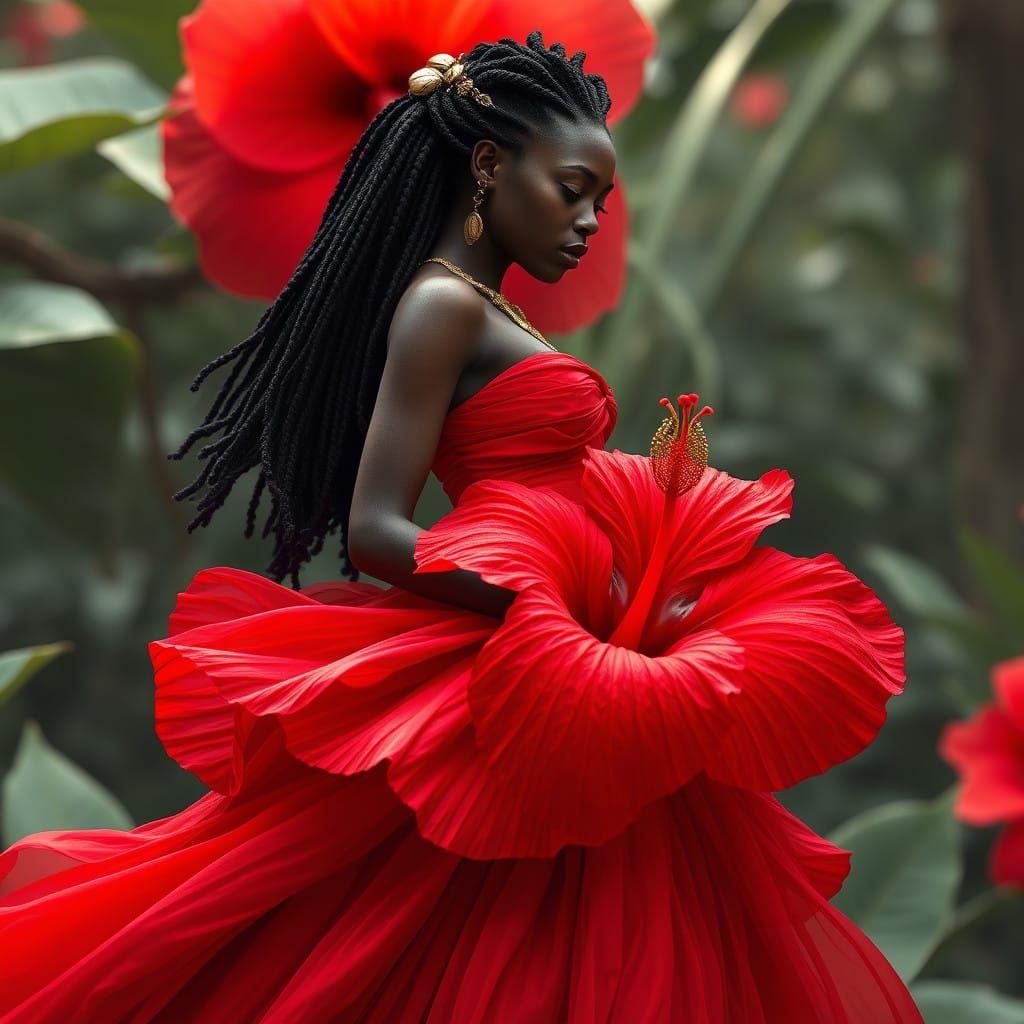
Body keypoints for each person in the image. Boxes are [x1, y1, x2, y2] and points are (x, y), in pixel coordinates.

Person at [0, 30, 923, 1023]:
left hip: (567, 647)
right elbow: (375, 530)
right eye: (570, 188)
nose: (585, 221)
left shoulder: (485, 308)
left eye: (599, 202)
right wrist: (548, 606)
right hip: (527, 650)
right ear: (488, 164)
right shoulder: (439, 306)